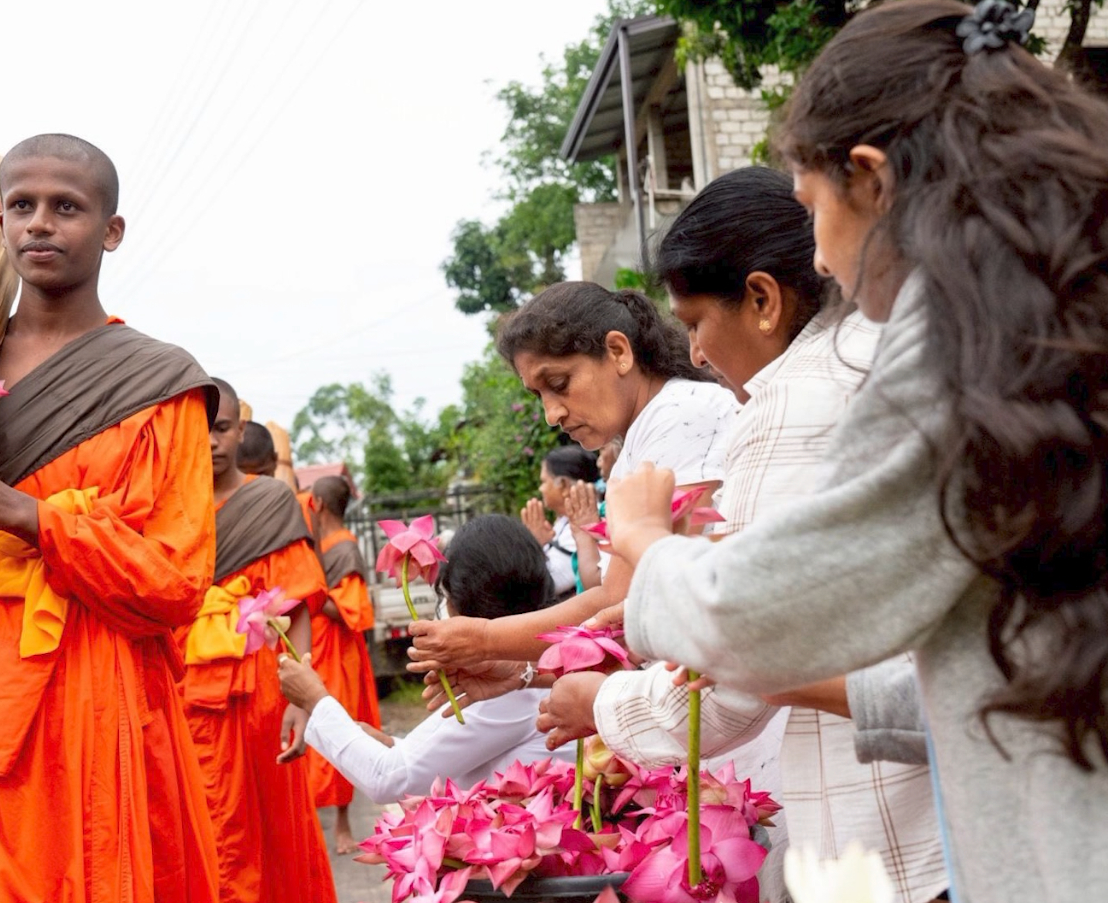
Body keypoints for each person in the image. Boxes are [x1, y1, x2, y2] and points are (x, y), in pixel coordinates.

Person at [604, 0, 1108, 901]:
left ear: (871, 179)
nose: (816, 257)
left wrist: (645, 544)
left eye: (813, 207)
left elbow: (767, 616)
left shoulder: (955, 334)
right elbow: (1022, 643)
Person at [536, 167, 947, 902]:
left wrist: (601, 699)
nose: (692, 351)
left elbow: (741, 652)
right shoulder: (884, 356)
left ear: (761, 298)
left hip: (886, 837)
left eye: (694, 324)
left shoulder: (789, 401)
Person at [0, 133, 220, 903]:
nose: (40, 224)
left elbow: (176, 584)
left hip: (92, 703)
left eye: (67, 207)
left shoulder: (157, 381)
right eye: (20, 206)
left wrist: (18, 513)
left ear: (110, 230)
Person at [406, 281, 736, 676]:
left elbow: (621, 600)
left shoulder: (678, 414)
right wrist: (521, 673)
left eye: (559, 385)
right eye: (538, 395)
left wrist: (484, 640)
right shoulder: (642, 435)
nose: (551, 414)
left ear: (618, 352)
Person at [278, 514, 574, 802]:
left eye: (447, 596)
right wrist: (391, 744)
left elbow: (388, 778)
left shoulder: (509, 690)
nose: (444, 608)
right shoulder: (530, 663)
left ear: (470, 606)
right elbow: (441, 759)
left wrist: (314, 699)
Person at [179, 377, 337, 903]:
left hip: (261, 693)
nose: (209, 442)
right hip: (184, 693)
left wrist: (302, 698)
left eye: (221, 428)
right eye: (198, 430)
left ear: (239, 429)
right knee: (202, 828)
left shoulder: (269, 500)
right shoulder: (171, 508)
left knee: (271, 825)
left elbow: (295, 605)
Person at [300, 474, 381, 854]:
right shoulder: (315, 543)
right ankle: (309, 823)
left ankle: (344, 825)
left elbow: (352, 610)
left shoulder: (345, 548)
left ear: (317, 503)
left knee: (338, 725)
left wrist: (311, 593)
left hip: (338, 652)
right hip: (313, 647)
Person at [519, 445, 603, 598]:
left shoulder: (587, 520)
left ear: (563, 485)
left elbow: (551, 584)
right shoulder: (566, 521)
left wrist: (534, 547)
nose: (541, 489)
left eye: (544, 481)